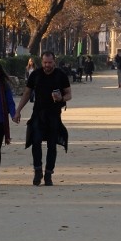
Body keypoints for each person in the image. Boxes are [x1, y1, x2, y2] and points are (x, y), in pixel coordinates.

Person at [13, 51, 71, 186]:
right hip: (38, 114)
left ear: (54, 62)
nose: (47, 65)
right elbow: (27, 94)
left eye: (50, 62)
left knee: (52, 145)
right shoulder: (35, 75)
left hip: (54, 115)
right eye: (45, 62)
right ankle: (37, 170)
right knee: (36, 141)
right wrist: (18, 111)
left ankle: (49, 174)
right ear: (41, 62)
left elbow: (69, 94)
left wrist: (61, 98)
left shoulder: (60, 75)